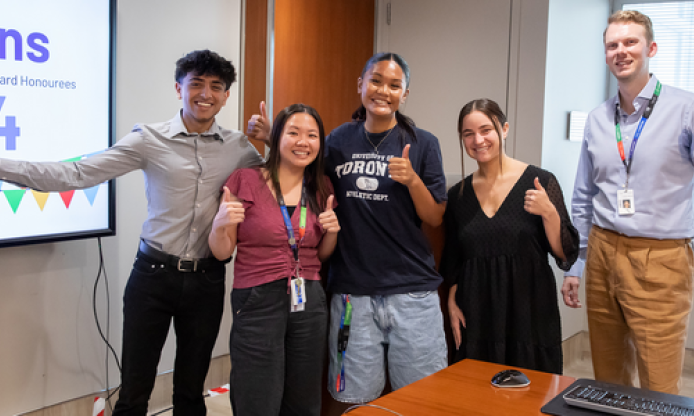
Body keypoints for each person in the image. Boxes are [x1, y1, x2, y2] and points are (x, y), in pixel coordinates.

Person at [0, 50, 266, 415]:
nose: (206, 94)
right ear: (179, 88)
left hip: (207, 279)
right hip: (152, 277)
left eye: (216, 87)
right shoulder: (149, 138)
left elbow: (279, 187)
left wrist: (273, 136)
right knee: (134, 392)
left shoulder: (239, 148)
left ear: (226, 96)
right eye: (197, 84)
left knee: (191, 392)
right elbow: (77, 174)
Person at [564, 10, 694, 394]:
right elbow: (583, 198)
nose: (620, 51)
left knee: (658, 385)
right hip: (603, 253)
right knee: (608, 378)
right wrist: (578, 262)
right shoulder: (597, 119)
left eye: (630, 42)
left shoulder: (688, 110)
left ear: (651, 48)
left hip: (660, 259)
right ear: (605, 54)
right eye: (612, 45)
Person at [324, 52, 448, 403]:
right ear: (361, 85)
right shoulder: (338, 140)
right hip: (352, 295)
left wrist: (412, 181)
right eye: (376, 81)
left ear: (404, 94)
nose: (383, 90)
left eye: (395, 85)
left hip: (412, 293)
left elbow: (435, 217)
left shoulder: (423, 142)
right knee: (353, 400)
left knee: (423, 400)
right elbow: (306, 177)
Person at [208, 104, 338, 416]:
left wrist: (332, 232)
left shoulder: (321, 188)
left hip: (309, 298)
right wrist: (220, 223)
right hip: (257, 298)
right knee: (258, 395)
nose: (302, 141)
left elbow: (320, 254)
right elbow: (222, 251)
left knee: (304, 396)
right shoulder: (245, 180)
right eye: (293, 133)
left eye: (312, 135)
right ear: (277, 137)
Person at [441, 98, 578, 374]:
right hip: (477, 310)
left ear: (503, 129)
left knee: (531, 392)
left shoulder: (540, 181)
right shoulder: (458, 195)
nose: (478, 140)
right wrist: (452, 302)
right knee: (476, 390)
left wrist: (549, 213)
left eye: (485, 130)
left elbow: (565, 253)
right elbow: (455, 258)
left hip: (528, 309)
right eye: (468, 134)